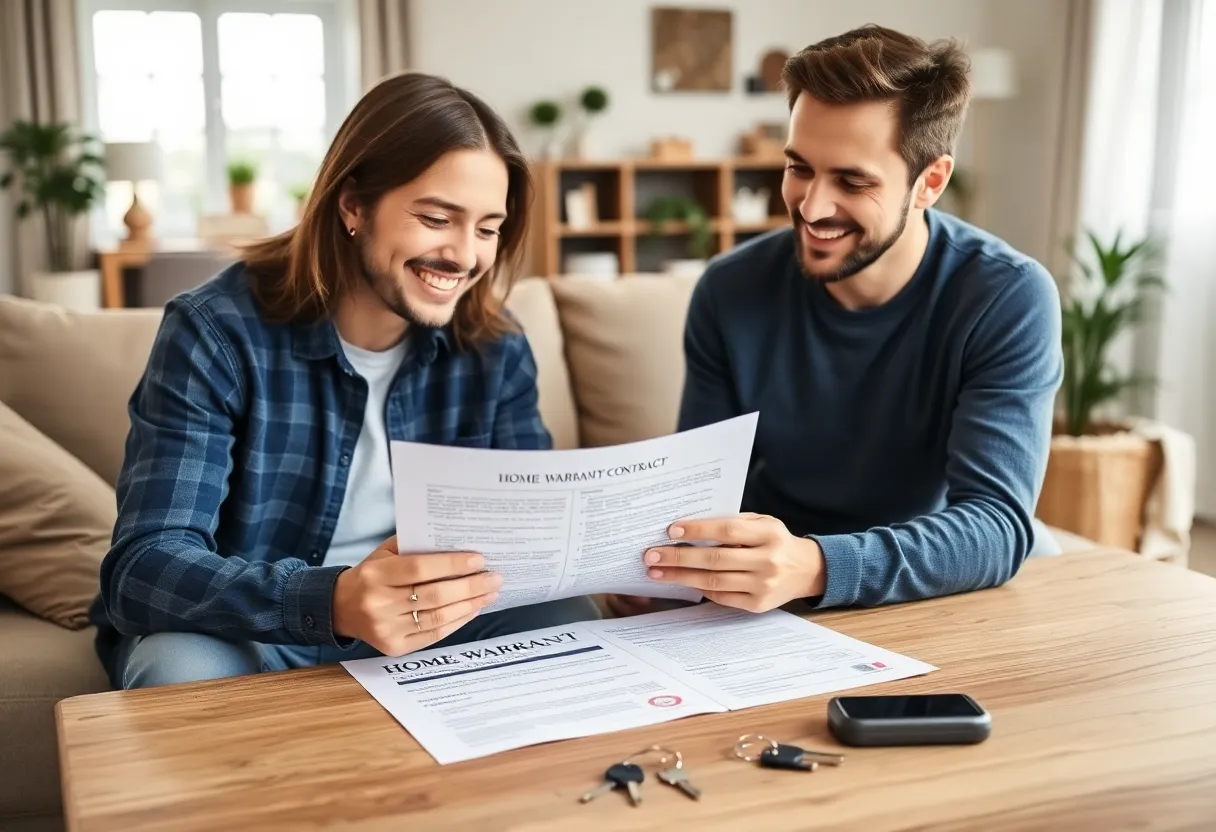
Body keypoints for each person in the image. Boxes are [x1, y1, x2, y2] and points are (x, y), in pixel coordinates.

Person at [90, 72, 600, 690]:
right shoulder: (215, 332)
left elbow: (529, 536)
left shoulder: (495, 344)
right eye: (437, 218)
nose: (465, 256)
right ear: (353, 204)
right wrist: (333, 599)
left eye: (488, 228)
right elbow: (144, 567)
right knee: (180, 671)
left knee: (572, 625)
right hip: (258, 626)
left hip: (432, 622)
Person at [608, 25, 1063, 618]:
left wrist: (815, 565)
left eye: (852, 182)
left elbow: (996, 525)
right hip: (775, 572)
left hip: (933, 567)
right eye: (799, 168)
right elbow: (705, 492)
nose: (812, 207)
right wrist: (669, 562)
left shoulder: (1006, 296)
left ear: (930, 181)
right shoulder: (730, 290)